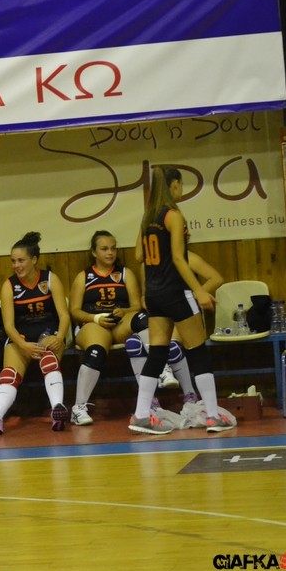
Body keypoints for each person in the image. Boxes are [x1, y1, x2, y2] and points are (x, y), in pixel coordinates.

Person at [130, 166, 235, 434]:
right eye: (181, 185)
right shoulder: (173, 215)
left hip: (154, 294)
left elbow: (139, 255)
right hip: (175, 293)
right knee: (198, 351)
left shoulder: (148, 217)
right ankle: (212, 416)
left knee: (157, 353)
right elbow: (179, 258)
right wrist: (198, 290)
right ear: (174, 184)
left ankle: (141, 415)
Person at [0, 231, 71, 434]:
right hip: (21, 337)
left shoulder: (50, 279)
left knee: (48, 359)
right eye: (13, 261)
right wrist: (23, 345)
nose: (16, 265)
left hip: (48, 333)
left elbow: (64, 315)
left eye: (21, 260)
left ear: (34, 260)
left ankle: (57, 410)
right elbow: (8, 325)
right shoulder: (9, 285)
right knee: (9, 374)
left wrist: (60, 337)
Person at [126, 251, 225, 411]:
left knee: (175, 347)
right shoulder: (148, 263)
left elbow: (216, 278)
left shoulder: (186, 256)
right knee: (135, 344)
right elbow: (145, 295)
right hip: (161, 312)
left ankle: (191, 395)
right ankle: (147, 404)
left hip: (184, 311)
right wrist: (153, 303)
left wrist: (195, 295)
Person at [67, 230, 143, 426]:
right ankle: (78, 408)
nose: (110, 253)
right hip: (93, 323)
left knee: (144, 319)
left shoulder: (125, 273)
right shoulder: (84, 277)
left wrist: (124, 311)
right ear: (94, 252)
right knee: (96, 351)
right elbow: (74, 311)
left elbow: (137, 306)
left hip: (119, 324)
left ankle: (156, 386)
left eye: (113, 248)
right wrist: (96, 318)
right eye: (104, 249)